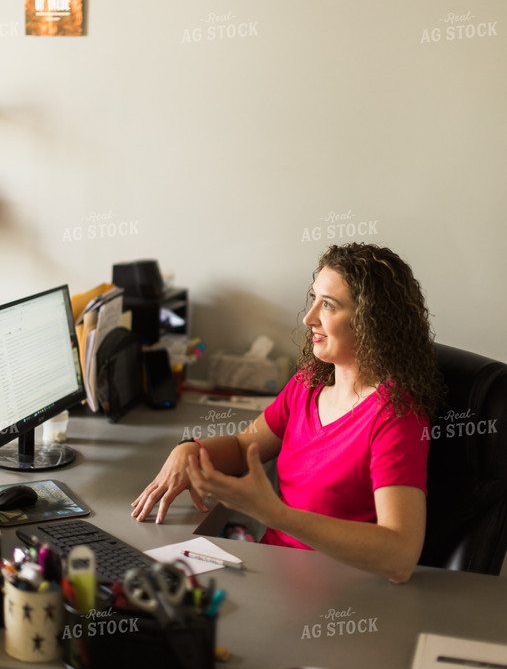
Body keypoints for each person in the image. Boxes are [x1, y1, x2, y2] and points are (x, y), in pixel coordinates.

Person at [132, 243, 443, 583]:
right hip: (275, 572)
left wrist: (275, 514)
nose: (310, 318)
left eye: (329, 305)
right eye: (314, 299)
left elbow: (400, 556)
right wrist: (190, 449)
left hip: (340, 593)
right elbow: (241, 447)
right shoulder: (307, 384)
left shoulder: (397, 416)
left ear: (373, 321)